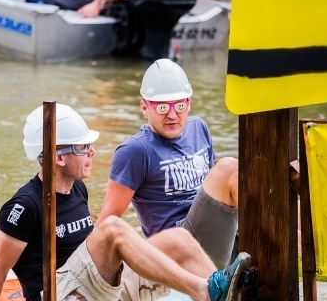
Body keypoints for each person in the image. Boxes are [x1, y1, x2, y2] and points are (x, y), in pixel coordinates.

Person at [0, 104, 249, 301]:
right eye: (82, 148)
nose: (92, 153)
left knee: (179, 239)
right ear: (59, 158)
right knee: (112, 227)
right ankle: (206, 290)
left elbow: (89, 263)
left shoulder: (78, 189)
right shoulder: (25, 206)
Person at [98, 59, 239, 269]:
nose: (172, 115)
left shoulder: (199, 128)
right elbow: (108, 220)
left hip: (215, 236)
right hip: (176, 249)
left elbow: (214, 194)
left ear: (189, 103)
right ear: (145, 107)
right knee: (229, 168)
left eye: (180, 105)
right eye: (162, 107)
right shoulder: (135, 151)